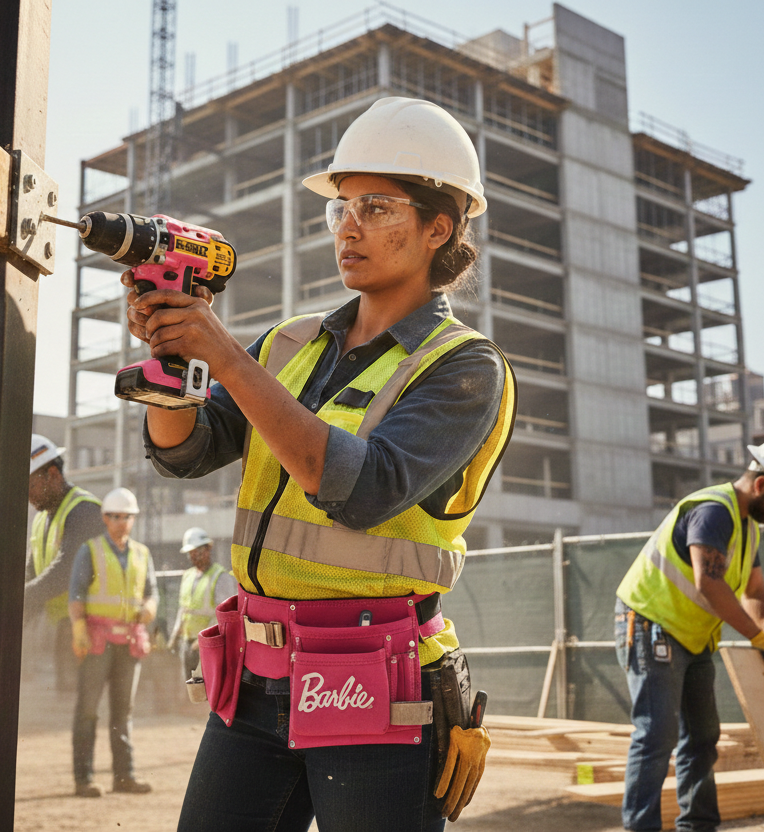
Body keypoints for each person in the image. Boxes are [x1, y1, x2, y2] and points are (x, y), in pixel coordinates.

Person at [125, 97, 516, 831]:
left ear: (441, 227)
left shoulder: (465, 369)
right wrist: (171, 357)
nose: (351, 226)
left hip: (379, 680)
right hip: (257, 674)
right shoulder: (290, 345)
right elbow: (186, 452)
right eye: (341, 208)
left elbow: (362, 488)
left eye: (377, 206)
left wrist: (225, 355)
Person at [614, 436, 764, 832]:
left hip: (691, 638)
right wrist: (756, 639)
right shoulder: (713, 511)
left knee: (704, 736)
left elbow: (755, 591)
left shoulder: (748, 528)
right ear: (761, 485)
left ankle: (698, 826)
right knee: (657, 734)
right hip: (650, 623)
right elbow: (709, 583)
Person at [67, 487, 158, 798]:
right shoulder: (89, 551)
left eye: (127, 517)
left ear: (133, 519)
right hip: (97, 642)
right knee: (88, 711)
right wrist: (78, 625)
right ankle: (84, 779)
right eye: (116, 516)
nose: (122, 522)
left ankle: (124, 777)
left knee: (123, 713)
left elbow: (152, 592)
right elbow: (76, 593)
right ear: (105, 518)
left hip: (128, 642)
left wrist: (149, 608)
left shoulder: (143, 554)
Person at [27, 434, 104, 691]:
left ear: (53, 474)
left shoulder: (84, 511)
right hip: (68, 625)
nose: (28, 496)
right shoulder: (42, 518)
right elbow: (32, 572)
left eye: (31, 486)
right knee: (68, 702)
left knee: (85, 707)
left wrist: (20, 600)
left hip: (96, 628)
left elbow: (65, 570)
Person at [172, 527, 236, 684]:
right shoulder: (188, 576)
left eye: (198, 551)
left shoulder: (220, 577)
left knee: (209, 687)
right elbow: (184, 609)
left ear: (208, 549)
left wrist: (203, 639)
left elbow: (223, 615)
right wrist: (175, 636)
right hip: (187, 643)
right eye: (191, 552)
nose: (195, 556)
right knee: (192, 689)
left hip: (209, 644)